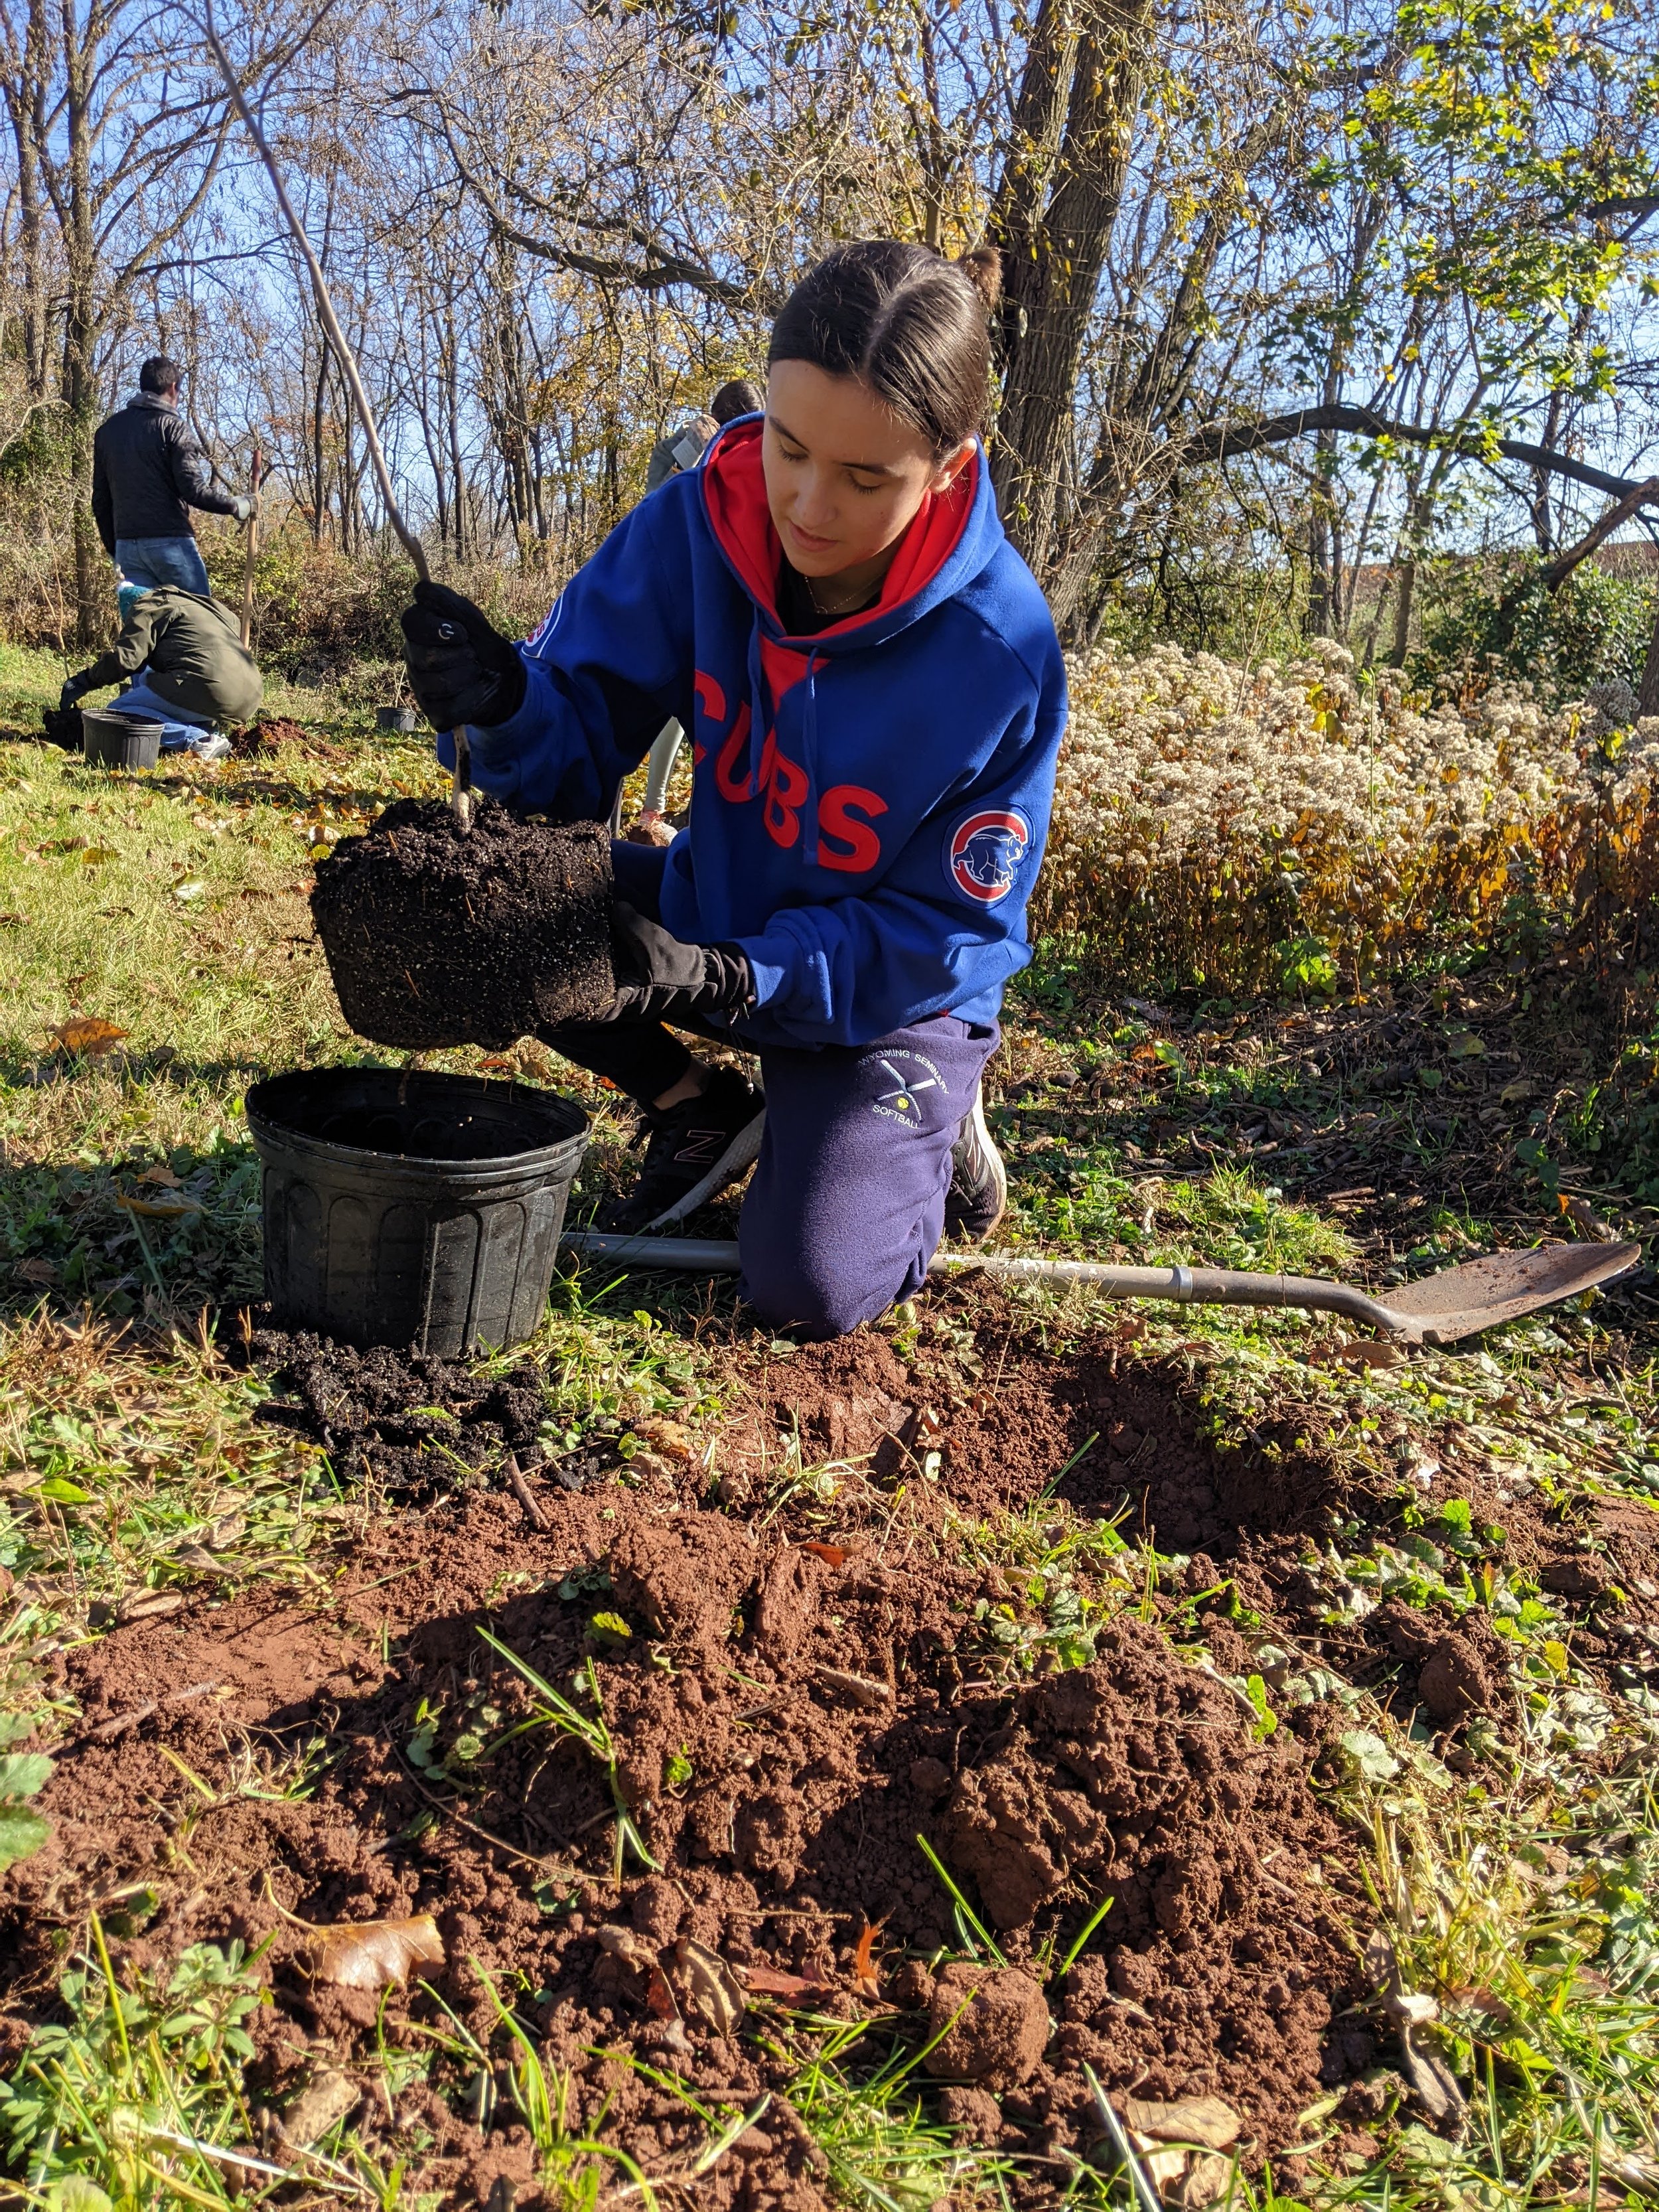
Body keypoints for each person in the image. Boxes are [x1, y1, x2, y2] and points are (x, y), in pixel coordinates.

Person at [402, 240, 1066, 1340]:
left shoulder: (1001, 651)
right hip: (715, 912)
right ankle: (692, 1108)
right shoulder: (698, 521)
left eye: (864, 478)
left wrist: (738, 971)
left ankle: (936, 1125)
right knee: (457, 891)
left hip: (889, 994)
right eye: (791, 448)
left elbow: (945, 928)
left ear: (948, 468)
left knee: (811, 1282)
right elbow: (567, 750)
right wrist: (504, 700)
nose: (807, 504)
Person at [625, 377, 768, 846]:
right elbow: (657, 503)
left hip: (729, 609)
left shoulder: (768, 456)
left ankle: (677, 814)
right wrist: (692, 449)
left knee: (707, 716)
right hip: (675, 600)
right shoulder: (689, 451)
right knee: (659, 707)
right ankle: (648, 814)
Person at [92, 355, 255, 595]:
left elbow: (100, 501)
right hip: (170, 543)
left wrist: (115, 548)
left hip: (127, 545)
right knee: (199, 623)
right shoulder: (173, 426)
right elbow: (193, 490)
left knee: (145, 627)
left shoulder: (107, 432)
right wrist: (236, 505)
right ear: (173, 388)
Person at [56, 581, 261, 759]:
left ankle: (199, 740)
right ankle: (211, 734)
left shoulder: (147, 608)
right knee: (153, 681)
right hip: (249, 694)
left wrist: (84, 681)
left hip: (207, 687)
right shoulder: (196, 610)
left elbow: (126, 659)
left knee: (117, 713)